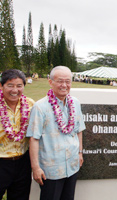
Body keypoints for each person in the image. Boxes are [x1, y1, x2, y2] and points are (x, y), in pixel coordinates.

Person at [27, 66, 86, 200]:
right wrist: (35, 167)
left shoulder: (75, 103)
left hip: (72, 165)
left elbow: (79, 130)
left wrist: (80, 152)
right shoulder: (40, 107)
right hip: (51, 169)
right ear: (50, 82)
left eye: (68, 81)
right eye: (60, 81)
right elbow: (34, 139)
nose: (64, 85)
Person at [0, 69, 35, 200]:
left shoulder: (30, 104)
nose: (15, 90)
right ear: (1, 86)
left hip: (22, 162)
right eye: (10, 85)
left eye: (19, 86)